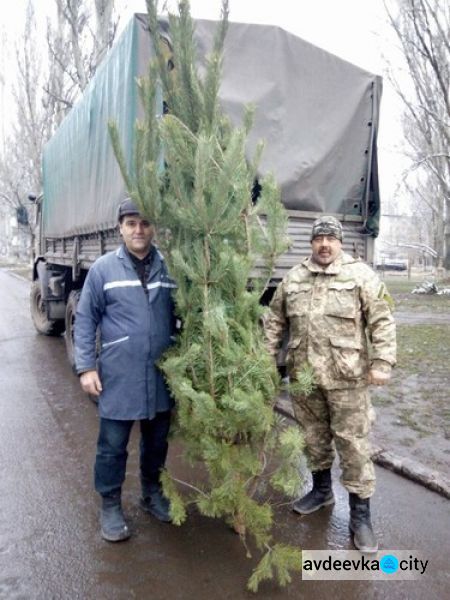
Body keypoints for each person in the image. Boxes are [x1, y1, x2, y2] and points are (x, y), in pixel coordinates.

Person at [264, 216, 396, 553]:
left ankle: (360, 517)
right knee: (313, 439)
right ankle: (321, 492)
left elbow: (382, 320)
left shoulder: (361, 276)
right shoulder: (293, 279)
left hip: (347, 379)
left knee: (353, 446)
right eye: (319, 238)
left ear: (339, 242)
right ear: (311, 243)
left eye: (331, 238)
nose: (324, 244)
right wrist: (265, 359)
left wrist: (382, 363)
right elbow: (275, 320)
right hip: (304, 380)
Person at [74, 198, 177, 542]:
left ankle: (152, 493)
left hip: (161, 373)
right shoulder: (104, 269)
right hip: (120, 374)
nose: (138, 229)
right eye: (131, 223)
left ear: (153, 228)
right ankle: (110, 504)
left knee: (157, 442)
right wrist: (87, 366)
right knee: (113, 444)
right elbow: (86, 319)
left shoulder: (169, 268)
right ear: (120, 227)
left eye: (145, 223)